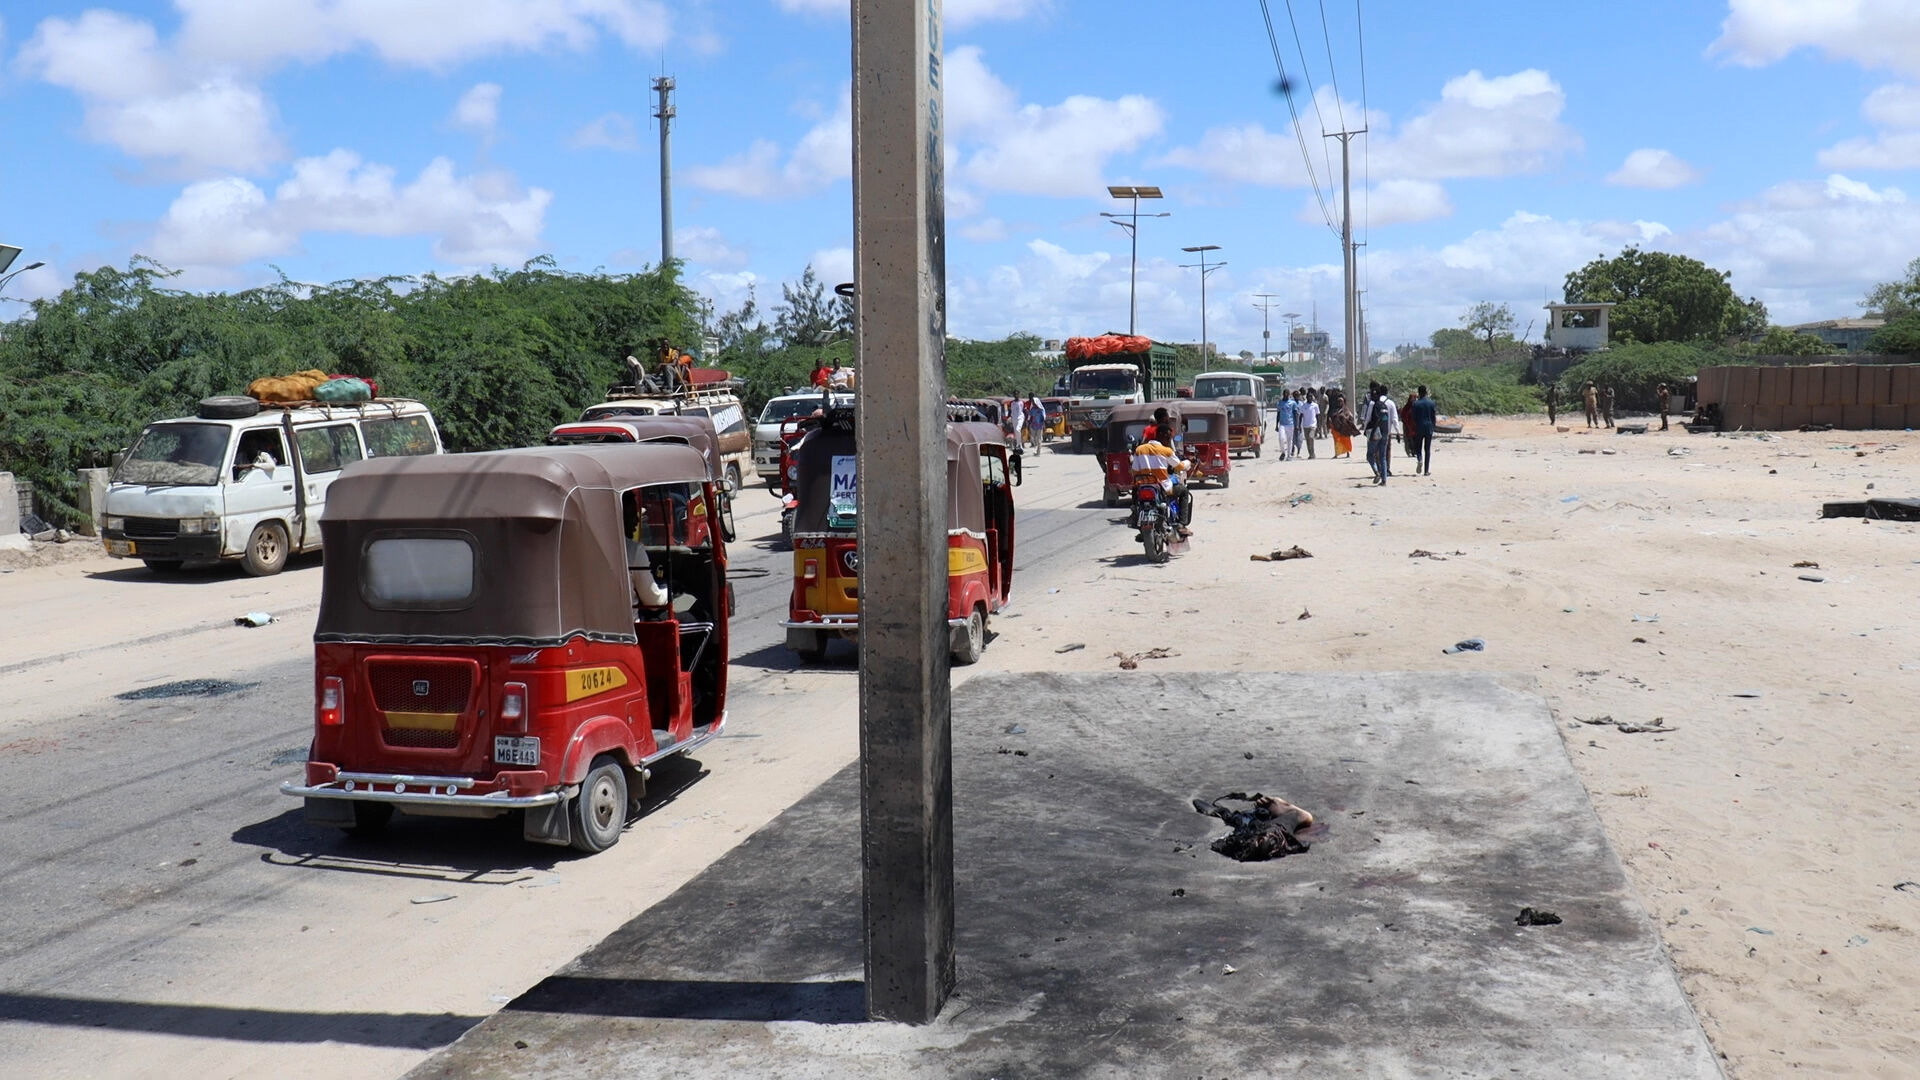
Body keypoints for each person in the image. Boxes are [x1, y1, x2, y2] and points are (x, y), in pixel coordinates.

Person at [1130, 429, 1191, 536]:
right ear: (1165, 438)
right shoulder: (1166, 451)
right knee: (1184, 492)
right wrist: (1188, 462)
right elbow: (1180, 466)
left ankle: (1135, 515)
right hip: (1163, 488)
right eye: (1169, 439)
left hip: (1143, 486)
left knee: (1135, 495)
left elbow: (1134, 470)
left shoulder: (1139, 450)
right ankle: (1181, 525)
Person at [1362, 383, 1400, 484]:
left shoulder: (1372, 404)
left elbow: (1369, 418)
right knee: (1383, 457)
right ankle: (1384, 480)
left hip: (1375, 432)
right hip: (1385, 432)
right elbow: (1393, 419)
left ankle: (1377, 472)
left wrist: (1366, 431)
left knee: (1370, 455)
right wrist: (1397, 432)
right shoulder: (1385, 405)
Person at [1409, 385, 1438, 476]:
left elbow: (1413, 417)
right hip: (1429, 427)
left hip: (1419, 427)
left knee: (1418, 447)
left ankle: (1419, 459)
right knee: (1427, 449)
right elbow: (1433, 417)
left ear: (1419, 393)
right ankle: (1426, 470)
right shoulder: (1431, 403)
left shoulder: (1416, 404)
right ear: (1426, 392)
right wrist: (1433, 426)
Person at [1297, 389, 1319, 459]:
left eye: (1311, 397)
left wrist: (1318, 425)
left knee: (1311, 438)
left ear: (1312, 397)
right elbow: (1301, 416)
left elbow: (1317, 416)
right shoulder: (1303, 406)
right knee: (1307, 441)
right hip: (1305, 425)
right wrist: (1299, 425)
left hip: (1313, 425)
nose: (1310, 398)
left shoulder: (1315, 405)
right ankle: (1310, 454)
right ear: (1306, 397)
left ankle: (1312, 453)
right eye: (1308, 397)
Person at [1275, 391, 1297, 461]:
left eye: (1287, 395)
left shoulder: (1293, 403)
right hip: (1282, 424)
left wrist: (1296, 424)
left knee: (1289, 440)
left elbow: (1295, 414)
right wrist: (1276, 425)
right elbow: (1278, 414)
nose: (1286, 396)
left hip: (1290, 424)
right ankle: (1283, 452)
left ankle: (1289, 455)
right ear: (1283, 395)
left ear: (1289, 395)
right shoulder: (1280, 403)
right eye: (1285, 394)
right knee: (1281, 438)